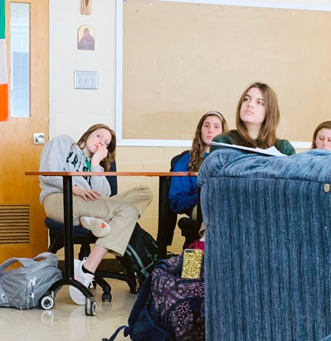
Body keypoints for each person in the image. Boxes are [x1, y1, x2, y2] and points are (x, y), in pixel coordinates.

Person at [39, 124, 153, 305]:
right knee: (127, 211)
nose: (102, 142)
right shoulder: (63, 143)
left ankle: (90, 221)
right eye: (99, 136)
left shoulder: (97, 165)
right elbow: (48, 173)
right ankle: (87, 269)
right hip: (60, 199)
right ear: (86, 135)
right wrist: (75, 189)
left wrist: (95, 165)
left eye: (106, 142)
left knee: (145, 192)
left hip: (88, 204)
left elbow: (102, 196)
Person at [212, 82, 296, 155]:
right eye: (246, 99)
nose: (250, 104)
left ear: (270, 111)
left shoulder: (284, 148)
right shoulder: (223, 141)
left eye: (259, 102)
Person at [169, 111, 228, 214]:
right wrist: (202, 196)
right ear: (200, 130)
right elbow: (176, 202)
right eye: (206, 126)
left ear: (223, 132)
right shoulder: (185, 162)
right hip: (202, 210)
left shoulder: (231, 159)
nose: (210, 130)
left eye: (216, 126)